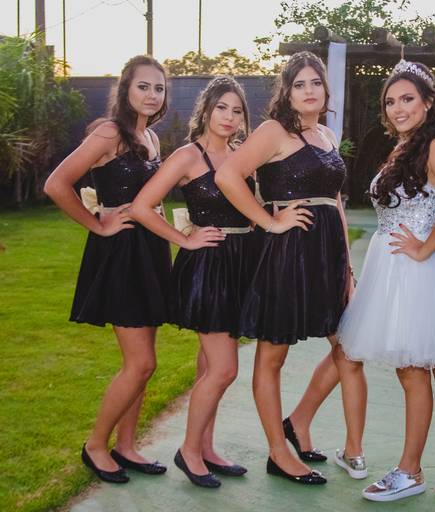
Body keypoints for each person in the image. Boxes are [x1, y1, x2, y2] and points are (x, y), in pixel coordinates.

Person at [215, 51, 366, 485]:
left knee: (348, 348)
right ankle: (278, 453)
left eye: (315, 83)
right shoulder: (273, 131)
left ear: (325, 89)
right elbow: (228, 176)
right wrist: (270, 221)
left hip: (328, 256)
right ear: (287, 91)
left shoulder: (327, 135)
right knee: (273, 355)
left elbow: (335, 203)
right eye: (299, 84)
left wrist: (347, 267)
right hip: (287, 254)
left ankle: (300, 423)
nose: (308, 91)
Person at [336, 60, 435, 502]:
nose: (398, 108)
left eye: (407, 99)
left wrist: (425, 247)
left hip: (414, 272)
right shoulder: (404, 147)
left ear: (429, 102)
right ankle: (417, 468)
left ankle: (410, 470)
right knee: (408, 371)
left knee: (414, 372)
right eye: (391, 101)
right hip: (390, 268)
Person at [43, 55, 171, 483]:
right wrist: (98, 224)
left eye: (158, 88)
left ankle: (127, 446)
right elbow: (57, 184)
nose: (151, 95)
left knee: (147, 363)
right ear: (125, 89)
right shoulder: (110, 132)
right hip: (122, 252)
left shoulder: (150, 136)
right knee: (140, 363)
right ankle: (96, 445)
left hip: (149, 250)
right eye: (143, 86)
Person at [131, 76, 254, 488]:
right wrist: (184, 238)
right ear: (206, 110)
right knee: (224, 368)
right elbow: (143, 206)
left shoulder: (241, 155)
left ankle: (206, 447)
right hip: (208, 267)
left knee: (208, 365)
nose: (229, 117)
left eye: (237, 111)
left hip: (240, 265)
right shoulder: (188, 156)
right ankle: (188, 450)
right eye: (222, 108)